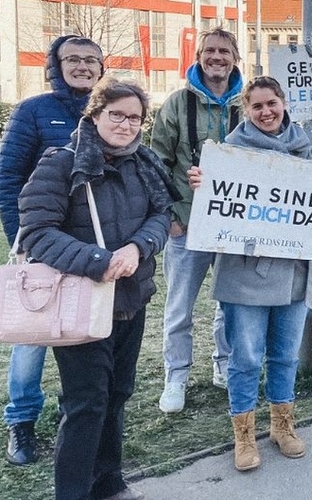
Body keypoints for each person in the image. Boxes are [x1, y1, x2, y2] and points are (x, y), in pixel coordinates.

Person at [18, 77, 173, 500]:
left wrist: (138, 248)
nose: (126, 125)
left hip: (131, 299)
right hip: (81, 302)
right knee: (86, 404)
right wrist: (99, 261)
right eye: (116, 115)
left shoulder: (145, 162)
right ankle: (73, 493)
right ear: (96, 115)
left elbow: (162, 216)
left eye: (135, 118)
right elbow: (37, 232)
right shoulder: (60, 163)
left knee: (118, 395)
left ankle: (108, 484)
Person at [187, 76, 312, 471]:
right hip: (244, 276)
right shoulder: (227, 154)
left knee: (285, 354)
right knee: (246, 356)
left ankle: (282, 425)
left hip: (294, 271)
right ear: (246, 110)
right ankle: (243, 433)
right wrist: (203, 189)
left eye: (271, 103)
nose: (266, 111)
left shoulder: (305, 148)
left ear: (284, 102)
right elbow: (216, 212)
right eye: (256, 106)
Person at [0, 34, 104, 466]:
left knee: (83, 333)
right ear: (55, 65)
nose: (82, 66)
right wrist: (20, 240)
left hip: (93, 247)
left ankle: (72, 414)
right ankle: (21, 422)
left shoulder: (105, 112)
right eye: (73, 59)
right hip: (43, 246)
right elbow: (7, 179)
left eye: (91, 60)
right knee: (34, 338)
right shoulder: (34, 111)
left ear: (101, 67)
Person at [151, 27, 243, 413]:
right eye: (210, 50)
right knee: (179, 307)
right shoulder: (176, 104)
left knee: (230, 303)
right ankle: (176, 377)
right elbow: (156, 163)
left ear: (235, 57)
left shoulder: (248, 103)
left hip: (234, 225)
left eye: (224, 50)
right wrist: (169, 215)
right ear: (199, 55)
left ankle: (224, 365)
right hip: (186, 225)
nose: (217, 57)